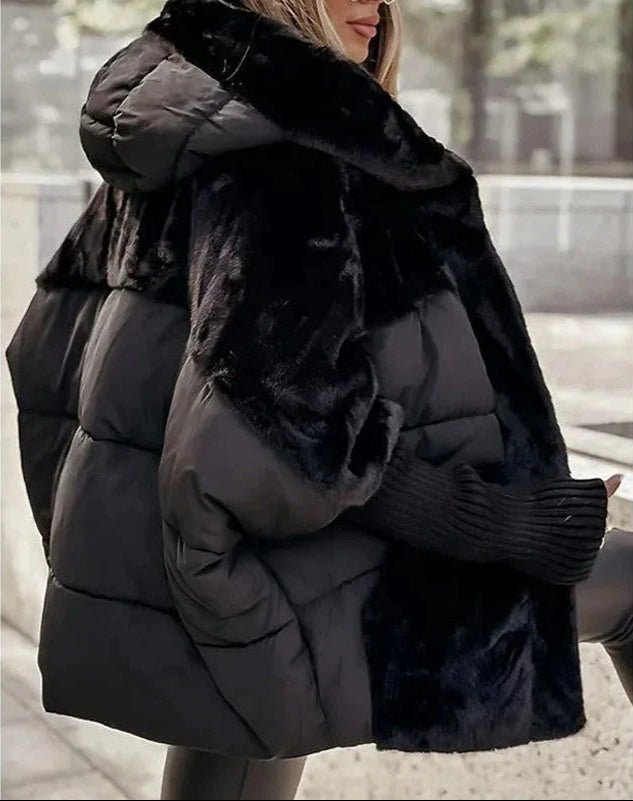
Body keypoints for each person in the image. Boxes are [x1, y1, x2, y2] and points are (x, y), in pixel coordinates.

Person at [5, 0, 632, 799]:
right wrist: (514, 523)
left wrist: (142, 539)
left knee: (239, 729)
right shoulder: (285, 150)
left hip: (214, 571)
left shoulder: (187, 120)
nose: (375, 3)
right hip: (300, 580)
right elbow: (292, 432)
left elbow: (45, 355)